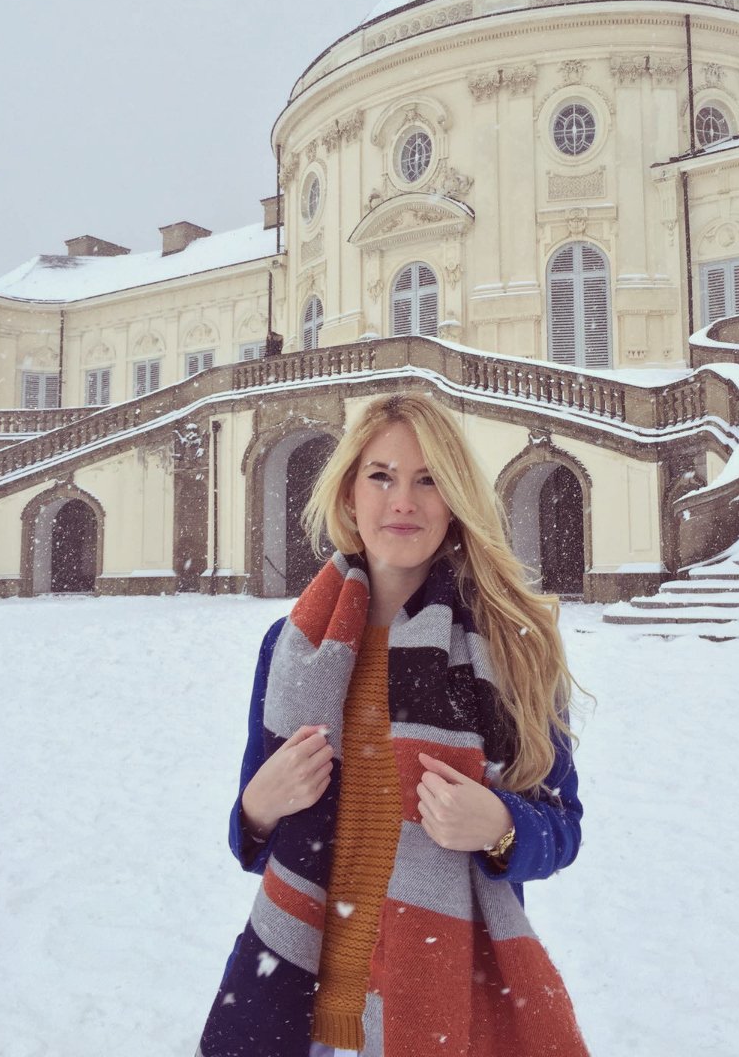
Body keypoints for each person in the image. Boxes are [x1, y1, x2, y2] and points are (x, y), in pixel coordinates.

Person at [197, 392, 591, 1057]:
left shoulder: (516, 644)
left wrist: (501, 826)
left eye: (429, 479)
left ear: (456, 496)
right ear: (350, 493)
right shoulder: (293, 644)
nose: (402, 501)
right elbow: (258, 835)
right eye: (381, 476)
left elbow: (562, 825)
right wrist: (257, 809)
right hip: (299, 1007)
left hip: (440, 1006)